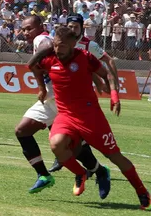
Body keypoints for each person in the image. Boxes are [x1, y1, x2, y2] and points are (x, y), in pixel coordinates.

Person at [31, 26, 150, 211]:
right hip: (65, 116)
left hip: (90, 116)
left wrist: (114, 95)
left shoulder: (84, 57)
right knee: (56, 145)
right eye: (55, 45)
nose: (57, 50)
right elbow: (33, 66)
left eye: (61, 46)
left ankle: (142, 191)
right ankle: (81, 173)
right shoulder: (49, 59)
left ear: (72, 43)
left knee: (114, 156)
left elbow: (107, 74)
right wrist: (42, 88)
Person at [16, 16, 111, 199]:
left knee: (74, 148)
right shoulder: (44, 41)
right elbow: (36, 66)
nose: (26, 33)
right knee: (22, 131)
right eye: (24, 29)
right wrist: (42, 87)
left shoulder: (42, 39)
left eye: (29, 28)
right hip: (49, 100)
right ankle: (44, 175)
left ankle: (99, 171)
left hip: (62, 100)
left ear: (40, 27)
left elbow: (41, 53)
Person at [42, 14, 119, 173]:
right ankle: (89, 167)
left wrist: (113, 89)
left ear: (81, 28)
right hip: (61, 91)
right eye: (70, 26)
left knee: (75, 132)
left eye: (75, 27)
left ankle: (90, 167)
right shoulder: (59, 44)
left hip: (83, 95)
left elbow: (108, 60)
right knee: (63, 128)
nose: (72, 29)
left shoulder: (89, 45)